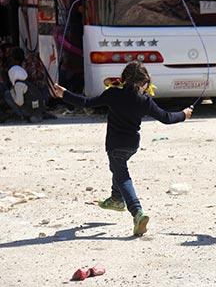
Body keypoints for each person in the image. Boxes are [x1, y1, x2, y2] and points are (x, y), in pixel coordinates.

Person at [51, 61, 193, 236]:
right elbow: (166, 117)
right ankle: (117, 199)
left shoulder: (113, 94)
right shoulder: (145, 100)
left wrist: (64, 94)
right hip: (132, 145)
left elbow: (86, 102)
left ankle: (137, 212)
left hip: (114, 144)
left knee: (122, 174)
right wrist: (184, 115)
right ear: (144, 82)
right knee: (117, 168)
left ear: (123, 79)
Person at [1, 47, 46, 123]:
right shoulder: (25, 80)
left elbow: (19, 102)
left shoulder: (19, 84)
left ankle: (22, 115)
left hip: (31, 111)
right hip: (38, 108)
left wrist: (12, 91)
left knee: (7, 94)